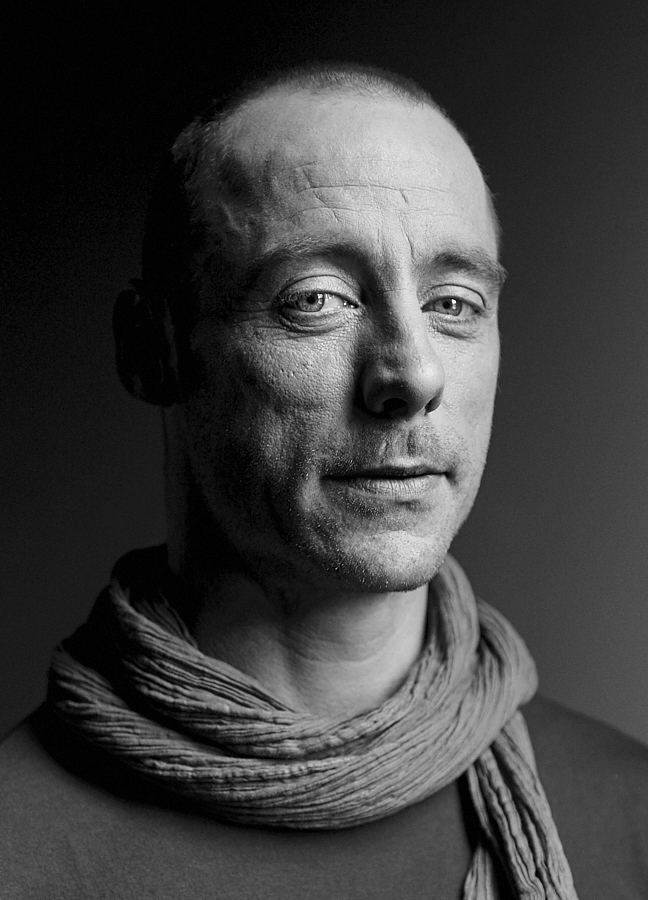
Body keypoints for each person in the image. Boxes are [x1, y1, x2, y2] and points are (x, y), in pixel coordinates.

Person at [1, 62, 648, 900]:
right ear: (152, 348)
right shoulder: (20, 848)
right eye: (316, 299)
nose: (411, 375)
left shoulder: (627, 818)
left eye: (454, 303)